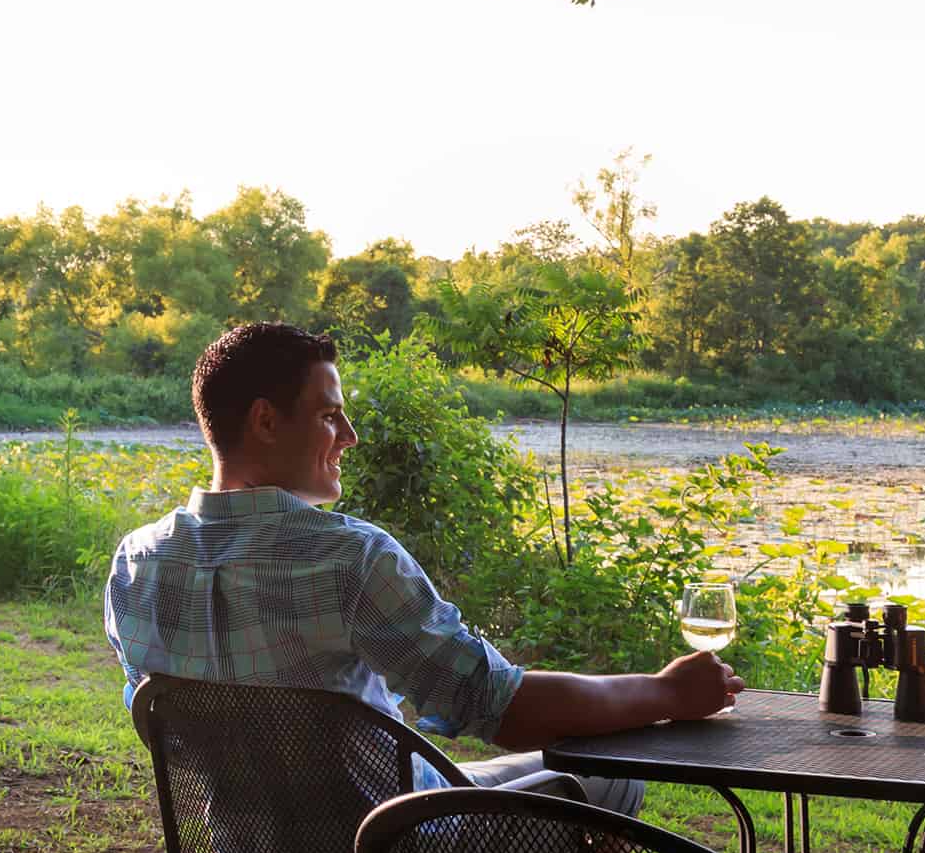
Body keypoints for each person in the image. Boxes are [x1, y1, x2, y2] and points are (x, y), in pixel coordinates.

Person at [106, 319, 741, 815]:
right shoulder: (350, 558)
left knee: (403, 788)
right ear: (266, 422)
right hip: (391, 847)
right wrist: (666, 693)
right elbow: (499, 709)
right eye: (330, 415)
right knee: (611, 779)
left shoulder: (136, 563)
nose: (350, 436)